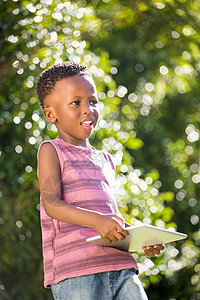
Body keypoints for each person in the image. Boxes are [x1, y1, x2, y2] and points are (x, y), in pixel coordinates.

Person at [36, 62, 164, 300]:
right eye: (76, 103)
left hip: (121, 266)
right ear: (51, 114)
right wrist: (97, 220)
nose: (88, 109)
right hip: (77, 273)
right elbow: (51, 204)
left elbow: (107, 217)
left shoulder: (105, 159)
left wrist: (138, 240)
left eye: (92, 101)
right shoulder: (51, 150)